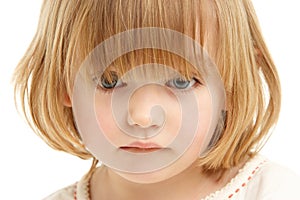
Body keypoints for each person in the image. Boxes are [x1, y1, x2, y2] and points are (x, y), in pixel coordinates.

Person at [13, 0, 300, 199]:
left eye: (181, 81)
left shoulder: (275, 193)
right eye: (109, 82)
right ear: (65, 82)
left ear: (232, 85)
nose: (143, 116)